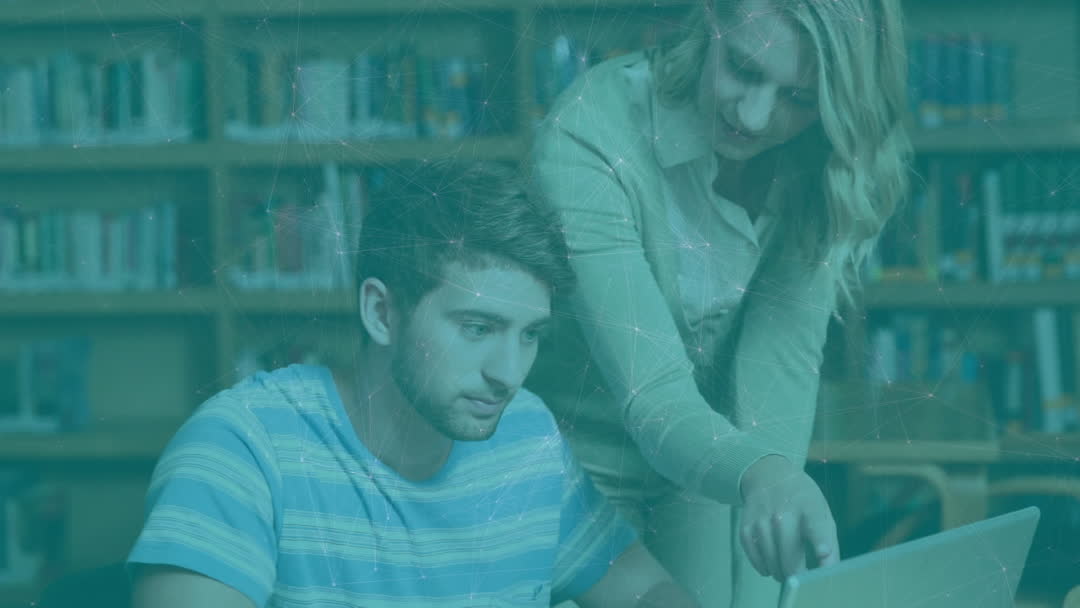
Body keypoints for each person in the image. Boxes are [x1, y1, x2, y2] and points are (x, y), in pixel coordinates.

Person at [126, 161, 700, 608]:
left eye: (530, 335)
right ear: (381, 313)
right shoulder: (242, 446)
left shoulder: (527, 435)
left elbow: (647, 591)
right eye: (477, 328)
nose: (508, 373)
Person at [526, 0, 912, 605]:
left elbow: (776, 384)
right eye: (743, 69)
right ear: (711, 16)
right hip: (578, 470)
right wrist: (763, 476)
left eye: (798, 98)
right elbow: (654, 395)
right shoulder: (590, 133)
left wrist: (776, 526)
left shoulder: (821, 161)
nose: (754, 117)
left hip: (713, 467)